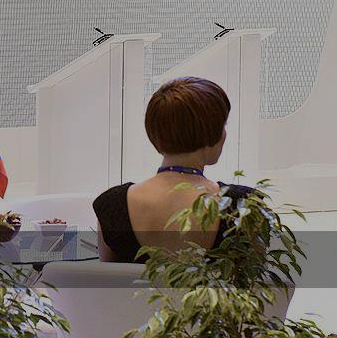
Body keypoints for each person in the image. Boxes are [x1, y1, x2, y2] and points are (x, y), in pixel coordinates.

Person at [93, 76, 254, 263]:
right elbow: (260, 278)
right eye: (223, 125)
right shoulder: (243, 204)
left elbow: (107, 279)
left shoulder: (110, 206)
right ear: (212, 132)